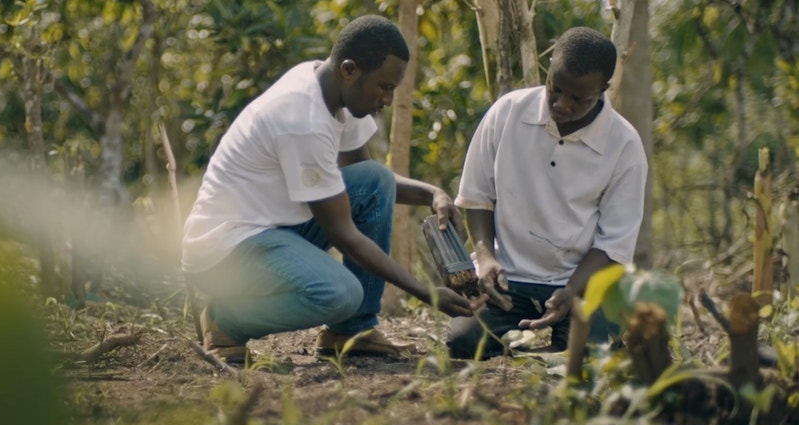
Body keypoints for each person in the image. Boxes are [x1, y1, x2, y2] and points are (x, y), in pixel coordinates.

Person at [182, 15, 486, 363]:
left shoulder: (329, 88)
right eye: (384, 87)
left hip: (271, 230)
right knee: (340, 293)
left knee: (375, 179)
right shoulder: (302, 121)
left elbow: (367, 178)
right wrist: (425, 291)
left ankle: (352, 332)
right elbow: (342, 232)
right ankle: (225, 321)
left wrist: (432, 194)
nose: (387, 99)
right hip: (225, 252)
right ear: (349, 69)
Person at [447, 27, 647, 359]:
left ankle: (563, 341)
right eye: (555, 88)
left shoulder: (624, 145)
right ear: (550, 65)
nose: (562, 104)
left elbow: (613, 244)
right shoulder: (507, 112)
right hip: (509, 279)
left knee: (591, 350)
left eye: (578, 98)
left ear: (603, 89)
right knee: (463, 344)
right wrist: (486, 259)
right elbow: (478, 197)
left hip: (580, 282)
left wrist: (571, 291)